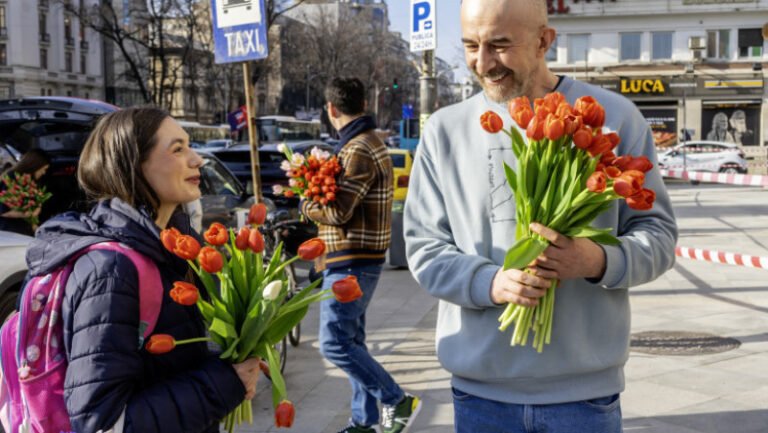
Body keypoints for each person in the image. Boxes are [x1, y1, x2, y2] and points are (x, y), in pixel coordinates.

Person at [403, 1, 678, 432]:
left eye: (500, 45)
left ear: (545, 41)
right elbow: (423, 247)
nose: (482, 62)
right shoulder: (444, 130)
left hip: (584, 395)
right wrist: (489, 282)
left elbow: (658, 236)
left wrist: (597, 261)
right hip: (480, 393)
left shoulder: (616, 119)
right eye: (471, 45)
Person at [25, 108, 260, 433]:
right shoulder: (112, 271)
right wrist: (223, 384)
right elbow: (101, 423)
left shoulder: (173, 248)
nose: (198, 160)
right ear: (134, 165)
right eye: (178, 149)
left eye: (189, 146)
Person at [301, 77, 421, 433]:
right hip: (356, 258)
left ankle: (396, 399)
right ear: (363, 104)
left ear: (331, 109)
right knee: (352, 341)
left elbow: (338, 212)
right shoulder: (366, 142)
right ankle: (364, 421)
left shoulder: (358, 148)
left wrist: (307, 205)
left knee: (334, 343)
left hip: (352, 260)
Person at [0, 149, 50, 236]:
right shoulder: (12, 178)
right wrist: (28, 214)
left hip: (23, 232)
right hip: (10, 232)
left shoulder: (30, 181)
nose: (44, 173)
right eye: (44, 169)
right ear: (35, 165)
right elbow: (3, 211)